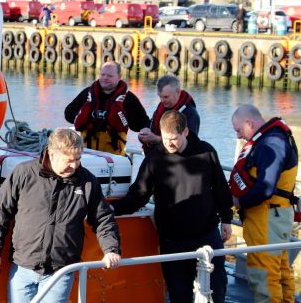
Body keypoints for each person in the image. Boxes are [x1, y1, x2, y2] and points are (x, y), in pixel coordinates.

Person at [0, 128, 121, 303]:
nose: (74, 165)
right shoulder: (24, 173)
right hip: (23, 268)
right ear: (52, 154)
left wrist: (111, 249)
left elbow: (103, 219)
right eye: (69, 160)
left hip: (60, 271)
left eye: (78, 160)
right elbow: (0, 212)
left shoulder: (87, 182)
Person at [111, 110, 233, 303]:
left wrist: (226, 219)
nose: (169, 143)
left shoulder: (206, 152)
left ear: (185, 132)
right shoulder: (154, 159)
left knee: (217, 288)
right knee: (178, 292)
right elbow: (139, 194)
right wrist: (112, 211)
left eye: (173, 139)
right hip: (173, 238)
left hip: (207, 233)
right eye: (165, 138)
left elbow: (221, 188)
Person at [230, 104, 298, 303]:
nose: (238, 136)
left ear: (249, 123)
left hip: (268, 219)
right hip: (274, 218)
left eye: (239, 130)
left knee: (264, 276)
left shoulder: (271, 144)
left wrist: (239, 202)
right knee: (280, 271)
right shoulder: (272, 138)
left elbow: (265, 188)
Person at [64, 61, 150, 156]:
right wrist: (84, 115)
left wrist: (123, 117)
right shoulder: (87, 94)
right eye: (103, 74)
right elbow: (68, 115)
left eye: (110, 76)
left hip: (114, 158)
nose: (105, 78)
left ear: (119, 76)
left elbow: (141, 125)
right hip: (87, 154)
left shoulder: (128, 98)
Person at [138, 74, 199, 154]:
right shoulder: (162, 107)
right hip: (156, 158)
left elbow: (190, 144)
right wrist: (143, 133)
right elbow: (151, 124)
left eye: (166, 97)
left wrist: (156, 139)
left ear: (178, 92)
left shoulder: (190, 113)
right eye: (160, 97)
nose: (162, 100)